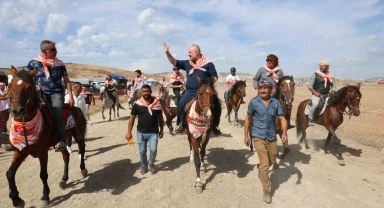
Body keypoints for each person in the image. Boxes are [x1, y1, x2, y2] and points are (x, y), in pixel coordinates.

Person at [244, 80, 288, 204]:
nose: (263, 90)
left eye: (265, 88)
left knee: (272, 160)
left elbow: (282, 118)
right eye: (261, 88)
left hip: (272, 136)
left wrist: (284, 133)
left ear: (271, 90)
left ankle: (260, 168)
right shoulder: (254, 102)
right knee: (265, 165)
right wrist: (246, 136)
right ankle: (266, 191)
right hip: (258, 136)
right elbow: (248, 119)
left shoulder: (276, 103)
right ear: (258, 90)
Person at [163, 42, 222, 135]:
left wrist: (207, 84)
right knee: (182, 103)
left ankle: (215, 126)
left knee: (217, 105)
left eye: (190, 52)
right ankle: (180, 124)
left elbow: (215, 77)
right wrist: (167, 53)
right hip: (190, 91)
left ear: (197, 52)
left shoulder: (208, 64)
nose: (188, 54)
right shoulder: (187, 63)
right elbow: (174, 61)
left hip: (204, 92)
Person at [27, 40, 74, 151]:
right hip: (40, 93)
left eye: (55, 49)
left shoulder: (60, 64)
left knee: (57, 111)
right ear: (44, 51)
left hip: (56, 93)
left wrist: (71, 96)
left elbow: (67, 81)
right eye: (53, 49)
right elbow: (27, 79)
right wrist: (34, 86)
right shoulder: (33, 63)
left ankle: (59, 140)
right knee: (26, 109)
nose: (56, 52)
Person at [126, 85, 164, 175]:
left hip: (153, 133)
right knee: (142, 151)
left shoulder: (157, 104)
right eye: (144, 91)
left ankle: (151, 164)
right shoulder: (137, 104)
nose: (146, 93)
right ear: (141, 92)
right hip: (141, 133)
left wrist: (161, 130)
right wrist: (129, 132)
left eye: (148, 91)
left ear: (151, 92)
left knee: (153, 150)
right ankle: (144, 166)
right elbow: (132, 118)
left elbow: (161, 118)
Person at [307, 60, 336, 126]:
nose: (321, 67)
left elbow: (333, 86)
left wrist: (333, 90)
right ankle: (310, 119)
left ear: (327, 67)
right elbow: (310, 86)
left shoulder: (331, 76)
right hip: (317, 94)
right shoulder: (315, 74)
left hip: (327, 95)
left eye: (323, 66)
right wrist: (315, 92)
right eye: (320, 66)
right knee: (315, 104)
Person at [64, 82, 88, 159]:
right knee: (69, 135)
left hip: (79, 120)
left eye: (81, 88)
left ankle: (81, 152)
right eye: (80, 88)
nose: (81, 90)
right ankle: (68, 145)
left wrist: (85, 118)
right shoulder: (67, 97)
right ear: (75, 88)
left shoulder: (82, 97)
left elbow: (84, 109)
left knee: (81, 137)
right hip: (70, 120)